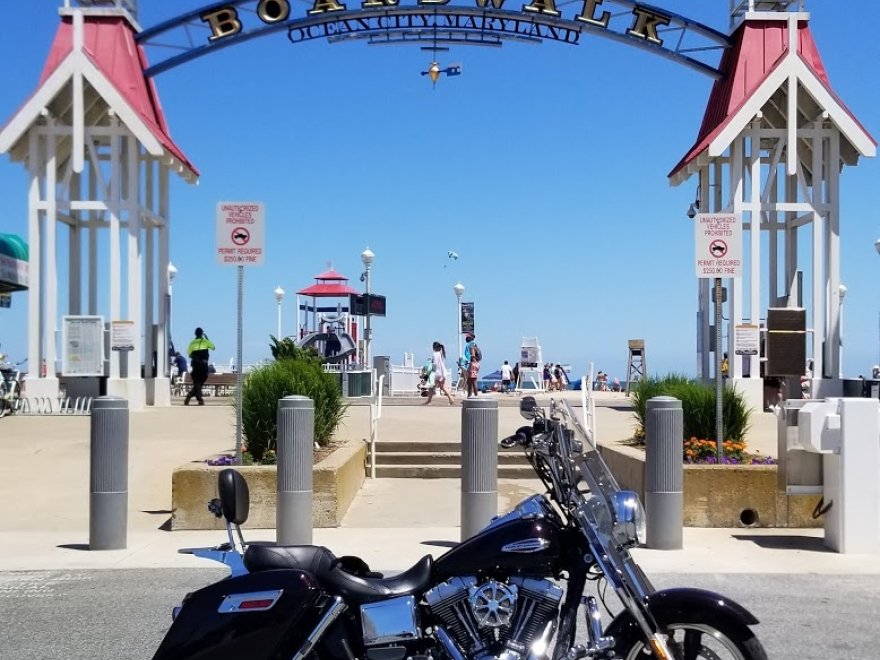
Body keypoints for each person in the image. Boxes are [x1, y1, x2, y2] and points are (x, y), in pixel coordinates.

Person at [185, 327, 215, 406]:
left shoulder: (192, 343)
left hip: (195, 364)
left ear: (195, 334)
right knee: (200, 380)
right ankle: (199, 399)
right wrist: (207, 338)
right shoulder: (206, 341)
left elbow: (189, 353)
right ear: (202, 334)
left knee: (197, 382)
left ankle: (191, 394)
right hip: (203, 364)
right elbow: (213, 347)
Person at [464, 333, 480, 398]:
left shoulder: (471, 344)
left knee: (473, 381)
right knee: (470, 381)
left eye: (467, 337)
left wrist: (472, 362)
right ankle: (469, 395)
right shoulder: (474, 344)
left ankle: (475, 395)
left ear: (470, 338)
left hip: (472, 363)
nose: (466, 338)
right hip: (475, 363)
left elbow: (473, 354)